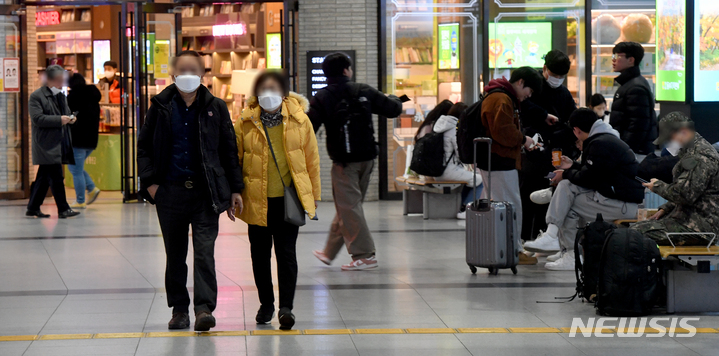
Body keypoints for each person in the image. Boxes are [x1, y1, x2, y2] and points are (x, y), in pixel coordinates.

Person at [137, 50, 243, 331]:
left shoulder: (216, 107)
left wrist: (235, 189)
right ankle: (179, 309)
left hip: (205, 193)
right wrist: (151, 184)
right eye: (182, 70)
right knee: (175, 254)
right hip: (169, 192)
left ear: (204, 73)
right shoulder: (160, 106)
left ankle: (204, 309)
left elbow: (228, 150)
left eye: (193, 69)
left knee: (205, 253)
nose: (188, 75)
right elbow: (144, 146)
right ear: (173, 74)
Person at [235, 71, 321, 330]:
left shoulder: (299, 120)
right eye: (263, 89)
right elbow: (235, 160)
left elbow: (312, 160)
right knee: (259, 256)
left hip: (288, 201)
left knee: (286, 255)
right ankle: (266, 304)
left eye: (273, 88)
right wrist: (234, 192)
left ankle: (286, 308)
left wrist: (313, 197)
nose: (268, 94)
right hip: (256, 199)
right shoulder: (245, 121)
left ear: (284, 92)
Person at [308, 52, 403, 271]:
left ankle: (365, 255)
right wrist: (398, 98)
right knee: (348, 206)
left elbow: (309, 128)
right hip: (368, 160)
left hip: (344, 163)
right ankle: (329, 252)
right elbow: (393, 108)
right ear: (345, 70)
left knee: (349, 206)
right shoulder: (363, 90)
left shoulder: (322, 97)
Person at [523, 108, 644, 270]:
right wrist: (573, 166)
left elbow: (589, 178)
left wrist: (566, 173)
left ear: (577, 130)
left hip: (622, 206)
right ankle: (562, 245)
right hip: (617, 201)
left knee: (568, 201)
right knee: (567, 191)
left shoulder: (600, 144)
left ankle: (566, 249)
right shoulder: (605, 139)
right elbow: (596, 173)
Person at [478, 66, 543, 254]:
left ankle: (500, 249)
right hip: (500, 161)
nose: (528, 96)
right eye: (529, 91)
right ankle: (513, 250)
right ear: (521, 82)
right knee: (509, 206)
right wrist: (523, 139)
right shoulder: (501, 99)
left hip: (495, 160)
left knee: (500, 205)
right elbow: (503, 131)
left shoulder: (498, 95)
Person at [632, 112, 719, 246]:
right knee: (635, 230)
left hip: (700, 227)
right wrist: (666, 208)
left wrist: (657, 186)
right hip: (688, 220)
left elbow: (685, 195)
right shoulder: (691, 151)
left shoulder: (699, 157)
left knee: (635, 234)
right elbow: (692, 190)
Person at [518, 50, 578, 242]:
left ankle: (546, 238)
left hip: (555, 155)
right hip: (533, 152)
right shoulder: (533, 87)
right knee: (529, 196)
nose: (557, 79)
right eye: (554, 75)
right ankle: (526, 238)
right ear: (545, 68)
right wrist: (543, 116)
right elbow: (523, 108)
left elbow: (572, 119)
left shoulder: (564, 93)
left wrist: (562, 134)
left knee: (549, 197)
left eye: (561, 76)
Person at [26, 65, 81, 219]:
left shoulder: (60, 96)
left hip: (59, 141)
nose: (61, 83)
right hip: (45, 143)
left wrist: (71, 118)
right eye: (58, 80)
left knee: (44, 177)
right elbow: (37, 119)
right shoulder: (36, 96)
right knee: (56, 176)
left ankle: (33, 207)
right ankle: (63, 209)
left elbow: (66, 113)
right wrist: (59, 120)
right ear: (49, 79)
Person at [430, 102, 483, 219]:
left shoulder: (440, 125)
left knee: (469, 180)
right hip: (448, 171)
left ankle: (461, 207)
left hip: (438, 170)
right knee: (479, 180)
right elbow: (460, 152)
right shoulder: (453, 129)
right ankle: (467, 209)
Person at [609, 42, 657, 161]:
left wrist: (624, 150)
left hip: (635, 153)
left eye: (617, 56)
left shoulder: (635, 87)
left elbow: (637, 126)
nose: (613, 60)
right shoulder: (629, 84)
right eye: (612, 56)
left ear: (631, 60)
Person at [66, 73, 102, 209]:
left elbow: (69, 117)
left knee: (75, 170)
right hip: (91, 140)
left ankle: (81, 200)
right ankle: (91, 188)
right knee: (76, 168)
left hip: (77, 139)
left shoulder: (73, 98)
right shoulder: (93, 96)